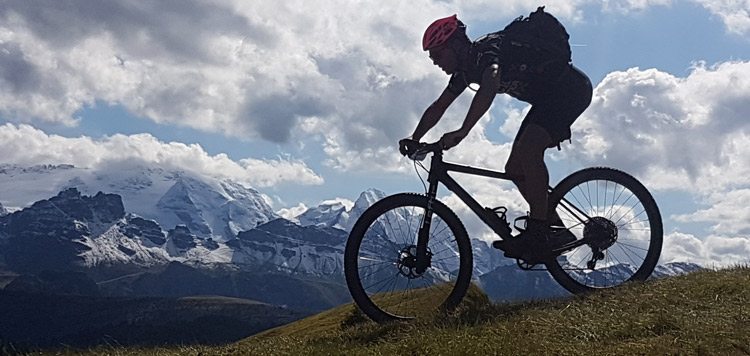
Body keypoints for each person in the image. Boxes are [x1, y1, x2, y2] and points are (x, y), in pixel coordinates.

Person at [399, 11, 593, 258]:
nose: (435, 62)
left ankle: (538, 229)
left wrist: (463, 130)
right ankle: (554, 230)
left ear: (456, 44)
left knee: (528, 150)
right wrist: (415, 138)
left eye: (437, 53)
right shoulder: (465, 72)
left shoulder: (486, 50)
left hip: (570, 90)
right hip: (548, 100)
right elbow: (439, 106)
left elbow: (491, 82)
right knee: (513, 168)